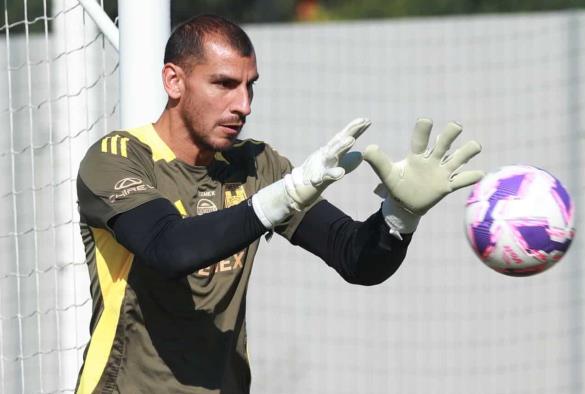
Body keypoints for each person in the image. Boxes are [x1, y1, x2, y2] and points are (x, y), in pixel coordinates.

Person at [74, 15, 484, 394]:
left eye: (249, 85)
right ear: (174, 81)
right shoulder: (117, 158)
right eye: (223, 84)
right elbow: (170, 248)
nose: (243, 105)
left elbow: (355, 257)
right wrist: (282, 197)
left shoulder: (255, 165)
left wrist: (399, 217)